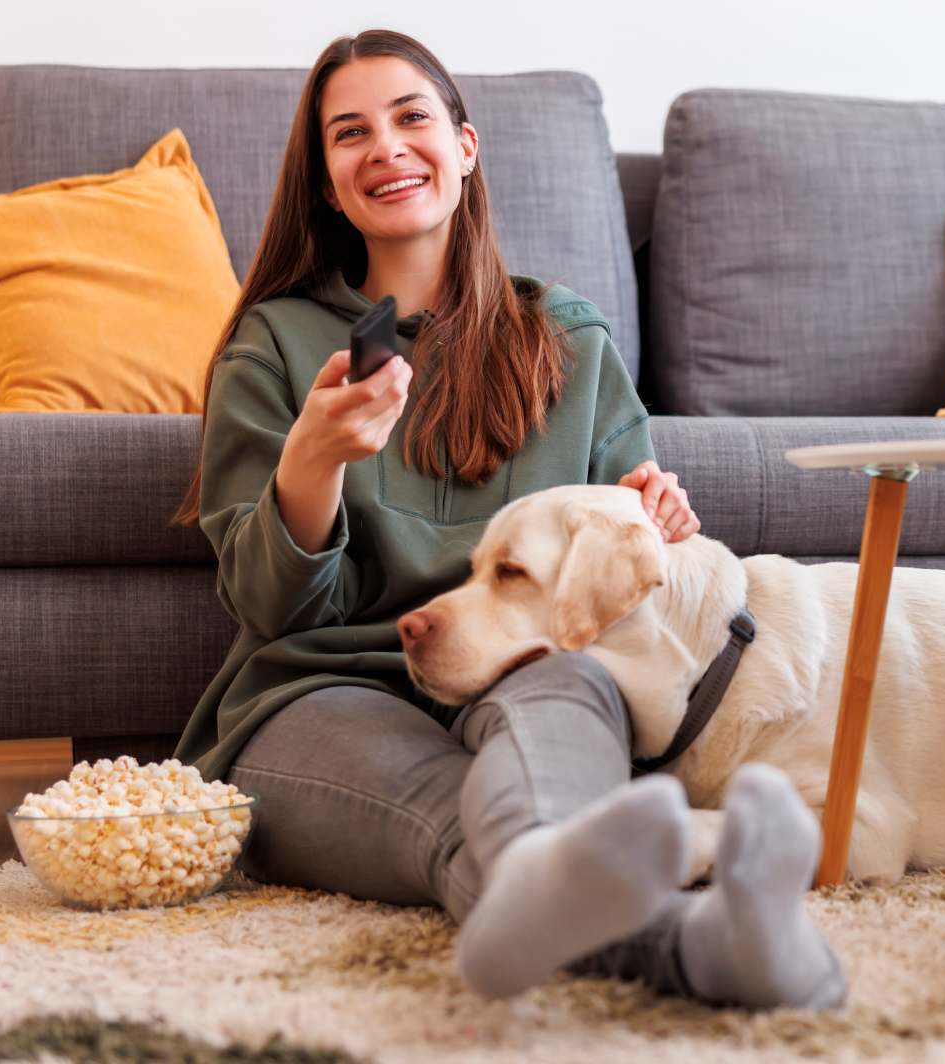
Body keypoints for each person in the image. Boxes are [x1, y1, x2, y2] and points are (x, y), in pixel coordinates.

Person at [174, 29, 844, 1010]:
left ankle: (664, 929)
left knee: (556, 725)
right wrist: (311, 457)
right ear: (326, 183)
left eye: (412, 118)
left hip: (529, 671)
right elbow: (274, 609)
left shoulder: (564, 337)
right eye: (349, 133)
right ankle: (708, 946)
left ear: (466, 146)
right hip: (320, 687)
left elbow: (628, 540)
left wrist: (656, 516)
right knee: (464, 823)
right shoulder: (272, 344)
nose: (387, 148)